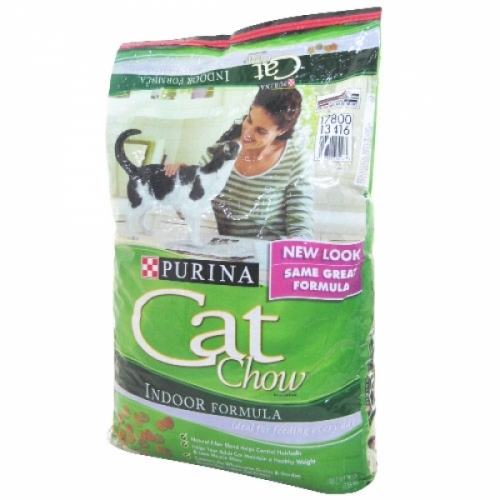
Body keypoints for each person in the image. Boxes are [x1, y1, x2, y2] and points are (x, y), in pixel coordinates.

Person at [165, 88, 314, 240]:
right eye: (249, 120)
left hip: (267, 252)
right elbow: (191, 211)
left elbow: (301, 230)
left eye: (260, 131)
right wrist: (180, 185)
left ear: (281, 130)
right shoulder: (217, 153)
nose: (247, 133)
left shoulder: (295, 160)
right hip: (220, 250)